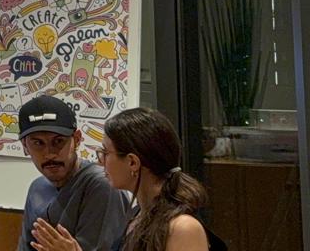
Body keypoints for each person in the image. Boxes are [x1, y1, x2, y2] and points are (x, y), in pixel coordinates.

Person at [33, 107, 221, 251]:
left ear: (132, 162)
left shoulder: (182, 228)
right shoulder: (136, 215)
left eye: (105, 153)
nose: (100, 161)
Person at [16, 94, 129, 251]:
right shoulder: (37, 188)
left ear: (76, 139)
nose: (49, 154)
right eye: (38, 143)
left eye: (58, 141)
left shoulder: (101, 185)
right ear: (25, 146)